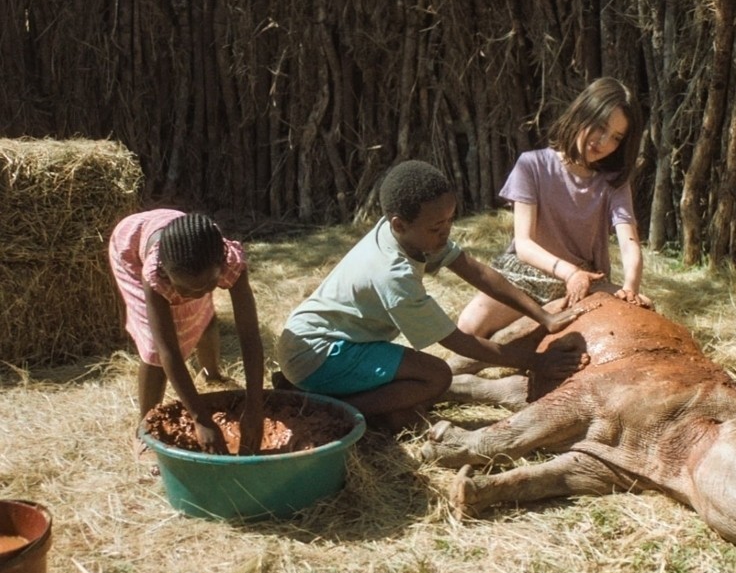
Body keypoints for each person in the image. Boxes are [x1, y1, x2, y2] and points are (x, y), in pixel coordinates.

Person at [275, 160, 589, 432]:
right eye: (437, 227)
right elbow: (458, 342)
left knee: (414, 391)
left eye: (451, 221)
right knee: (435, 377)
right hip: (318, 353)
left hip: (327, 341)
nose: (446, 233)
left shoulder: (411, 235)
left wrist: (543, 316)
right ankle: (328, 408)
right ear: (400, 224)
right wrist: (535, 361)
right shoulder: (393, 275)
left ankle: (348, 400)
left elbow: (476, 271)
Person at [457, 77, 652, 340]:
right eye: (599, 126)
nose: (603, 141)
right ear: (582, 113)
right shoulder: (532, 166)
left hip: (586, 280)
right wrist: (568, 273)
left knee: (647, 315)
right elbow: (524, 245)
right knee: (468, 328)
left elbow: (629, 243)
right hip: (524, 276)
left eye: (616, 137)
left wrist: (630, 288)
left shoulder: (613, 183)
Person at [109, 209, 264, 454]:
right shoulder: (154, 277)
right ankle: (145, 428)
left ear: (220, 265)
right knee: (153, 350)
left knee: (200, 313)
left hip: (184, 241)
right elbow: (167, 350)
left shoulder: (228, 262)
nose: (197, 294)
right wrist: (200, 418)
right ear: (167, 274)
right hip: (131, 248)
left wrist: (255, 407)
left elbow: (250, 336)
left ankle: (211, 374)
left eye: (209, 285)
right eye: (187, 288)